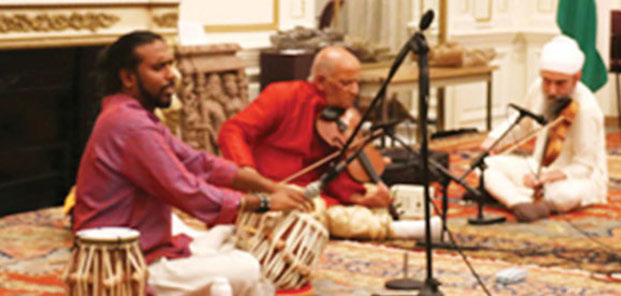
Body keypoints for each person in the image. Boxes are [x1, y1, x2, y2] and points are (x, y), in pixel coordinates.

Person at [72, 30, 311, 296]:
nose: (172, 74)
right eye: (159, 68)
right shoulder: (130, 124)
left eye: (171, 64)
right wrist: (263, 203)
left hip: (148, 245)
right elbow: (185, 189)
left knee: (226, 233)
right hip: (126, 265)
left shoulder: (133, 114)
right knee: (247, 267)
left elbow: (200, 163)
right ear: (128, 77)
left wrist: (270, 187)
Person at [218, 46, 440, 240]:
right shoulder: (283, 95)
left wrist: (359, 197)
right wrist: (249, 174)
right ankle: (400, 230)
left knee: (374, 200)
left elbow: (334, 172)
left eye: (357, 83)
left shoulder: (342, 118)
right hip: (275, 188)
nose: (354, 90)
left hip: (316, 190)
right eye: (346, 83)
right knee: (320, 212)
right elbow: (232, 130)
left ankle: (395, 224)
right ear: (321, 81)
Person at [480, 35, 608, 222]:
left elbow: (584, 166)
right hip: (537, 167)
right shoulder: (538, 89)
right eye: (547, 81)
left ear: (576, 78)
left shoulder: (586, 109)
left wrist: (548, 177)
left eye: (560, 83)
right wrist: (494, 139)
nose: (552, 90)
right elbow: (521, 126)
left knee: (564, 194)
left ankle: (511, 195)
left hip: (573, 178)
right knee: (485, 166)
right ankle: (520, 202)